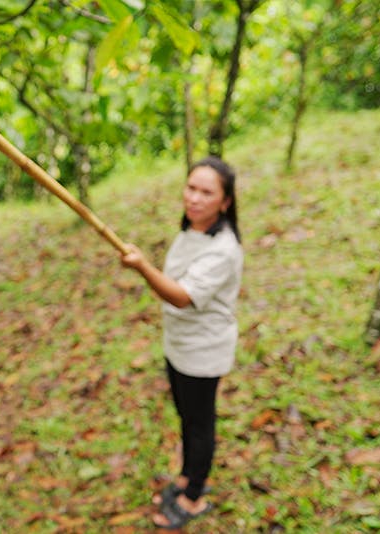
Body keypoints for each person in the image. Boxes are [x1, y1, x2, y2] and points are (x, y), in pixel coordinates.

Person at [120, 155, 243, 530]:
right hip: (179, 344)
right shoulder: (191, 231)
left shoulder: (223, 249)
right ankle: (189, 477)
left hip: (203, 351)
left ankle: (193, 498)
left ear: (225, 202)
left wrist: (142, 266)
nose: (194, 198)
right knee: (187, 418)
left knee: (200, 423)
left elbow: (181, 296)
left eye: (206, 192)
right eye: (191, 188)